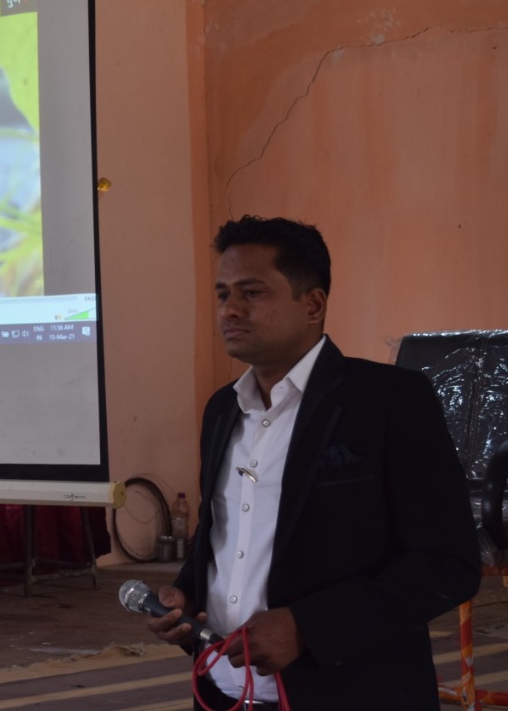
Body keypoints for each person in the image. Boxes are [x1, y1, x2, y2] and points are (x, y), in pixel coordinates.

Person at [146, 215, 480, 710]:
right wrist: (186, 595)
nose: (230, 309)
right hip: (223, 692)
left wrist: (309, 626)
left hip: (350, 694)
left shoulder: (388, 401)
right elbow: (225, 534)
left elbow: (448, 562)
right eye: (222, 294)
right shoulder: (222, 409)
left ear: (313, 304)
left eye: (251, 292)